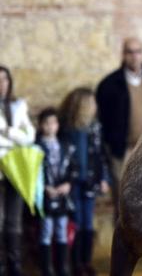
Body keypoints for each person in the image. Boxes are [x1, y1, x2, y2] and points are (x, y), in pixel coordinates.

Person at [96, 37, 142, 220]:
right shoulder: (109, 85)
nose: (134, 56)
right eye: (129, 52)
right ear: (123, 54)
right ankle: (123, 244)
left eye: (137, 52)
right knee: (123, 199)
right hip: (122, 150)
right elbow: (103, 120)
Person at [59, 88, 110, 276]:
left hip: (89, 182)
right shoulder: (66, 129)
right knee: (76, 222)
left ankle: (86, 262)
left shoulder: (95, 127)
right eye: (92, 103)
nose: (95, 106)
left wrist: (104, 178)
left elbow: (100, 154)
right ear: (82, 106)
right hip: (71, 184)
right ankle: (76, 264)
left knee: (88, 223)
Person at [0, 65, 35, 275]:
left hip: (16, 168)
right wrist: (15, 136)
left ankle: (14, 266)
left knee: (14, 220)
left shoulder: (18, 105)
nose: (1, 84)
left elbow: (29, 136)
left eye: (4, 79)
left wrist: (7, 131)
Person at [36, 108, 75, 276]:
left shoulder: (65, 145)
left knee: (61, 229)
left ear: (58, 125)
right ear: (40, 125)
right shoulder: (36, 147)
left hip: (63, 195)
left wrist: (68, 184)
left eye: (53, 123)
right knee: (46, 230)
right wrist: (44, 187)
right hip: (45, 195)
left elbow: (73, 167)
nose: (50, 127)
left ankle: (62, 268)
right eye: (46, 123)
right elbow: (33, 172)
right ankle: (47, 269)